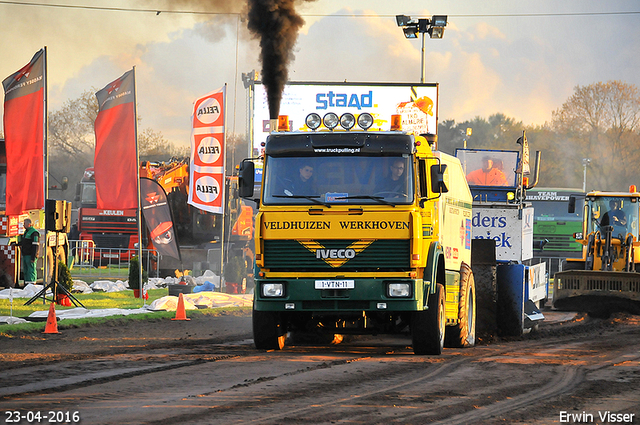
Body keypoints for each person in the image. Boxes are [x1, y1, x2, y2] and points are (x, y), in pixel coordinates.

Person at [17, 218, 40, 286]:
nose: (23, 225)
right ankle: (26, 283)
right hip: (25, 254)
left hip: (30, 255)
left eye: (24, 223)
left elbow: (35, 245)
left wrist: (33, 257)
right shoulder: (26, 232)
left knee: (31, 269)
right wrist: (17, 244)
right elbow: (24, 242)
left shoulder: (34, 233)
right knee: (26, 270)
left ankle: (32, 283)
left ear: (29, 224)